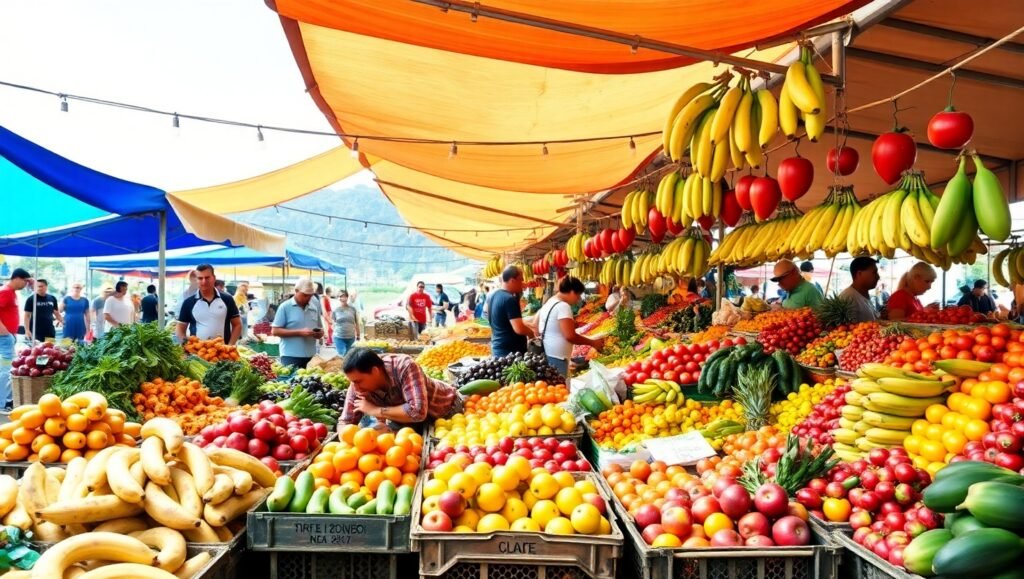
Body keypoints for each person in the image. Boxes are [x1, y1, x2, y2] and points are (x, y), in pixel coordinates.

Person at [339, 348, 461, 429]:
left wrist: (376, 410)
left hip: (445, 412)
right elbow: (345, 421)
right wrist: (346, 440)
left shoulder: (404, 366)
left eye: (358, 381)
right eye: (352, 382)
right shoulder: (358, 384)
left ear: (375, 371)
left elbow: (417, 411)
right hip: (407, 422)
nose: (355, 387)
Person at [536, 276, 606, 378]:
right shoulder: (563, 306)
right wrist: (593, 343)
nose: (578, 299)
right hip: (558, 357)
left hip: (550, 353)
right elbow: (570, 336)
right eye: (578, 295)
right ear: (572, 292)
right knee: (560, 389)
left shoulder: (551, 302)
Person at [176, 264, 242, 344]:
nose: (204, 281)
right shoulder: (189, 302)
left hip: (222, 352)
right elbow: (180, 327)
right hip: (197, 353)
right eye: (200, 278)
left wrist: (230, 346)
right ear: (196, 280)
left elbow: (237, 325)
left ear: (214, 278)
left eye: (207, 277)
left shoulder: (227, 299)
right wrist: (185, 346)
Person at [272, 278, 324, 369]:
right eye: (305, 295)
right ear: (296, 291)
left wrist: (320, 333)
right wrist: (299, 332)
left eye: (310, 295)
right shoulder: (285, 307)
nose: (308, 298)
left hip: (311, 356)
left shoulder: (315, 306)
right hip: (291, 356)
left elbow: (320, 327)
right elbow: (275, 331)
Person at [0, 269, 32, 408]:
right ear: (17, 278)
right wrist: (4, 331)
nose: (26, 284)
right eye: (25, 281)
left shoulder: (11, 292)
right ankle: (1, 403)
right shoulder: (5, 292)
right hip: (5, 337)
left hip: (9, 336)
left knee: (7, 368)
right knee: (6, 369)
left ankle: (5, 400)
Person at [488, 266, 535, 357]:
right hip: (510, 353)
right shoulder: (509, 299)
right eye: (521, 280)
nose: (522, 283)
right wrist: (531, 333)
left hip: (498, 348)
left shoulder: (494, 295)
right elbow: (519, 329)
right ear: (512, 281)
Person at [839, 257, 880, 322]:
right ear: (859, 274)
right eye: (874, 272)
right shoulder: (848, 297)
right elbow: (846, 328)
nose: (878, 277)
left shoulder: (864, 295)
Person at [332, 290, 361, 356]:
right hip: (339, 337)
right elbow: (333, 323)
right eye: (341, 296)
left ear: (347, 297)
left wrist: (358, 335)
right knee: (342, 354)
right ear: (338, 298)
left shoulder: (352, 309)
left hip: (351, 337)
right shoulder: (335, 309)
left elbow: (356, 322)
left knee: (349, 356)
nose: (343, 298)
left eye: (345, 296)